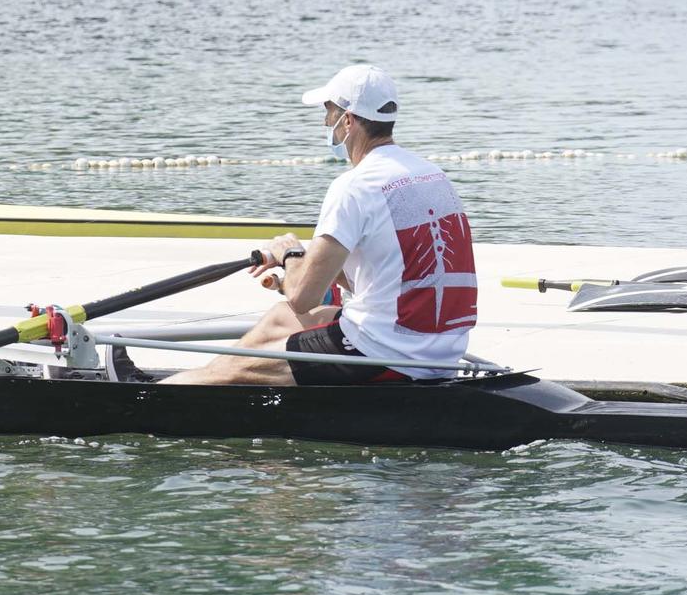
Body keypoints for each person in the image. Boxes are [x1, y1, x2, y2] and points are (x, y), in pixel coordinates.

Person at [165, 65, 477, 386]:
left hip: (382, 351)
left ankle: (180, 389)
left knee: (233, 370)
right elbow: (378, 271)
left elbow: (303, 297)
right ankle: (209, 380)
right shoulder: (432, 175)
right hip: (442, 348)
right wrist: (304, 257)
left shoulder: (354, 186)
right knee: (280, 318)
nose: (326, 123)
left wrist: (289, 254)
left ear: (348, 121)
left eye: (328, 113)